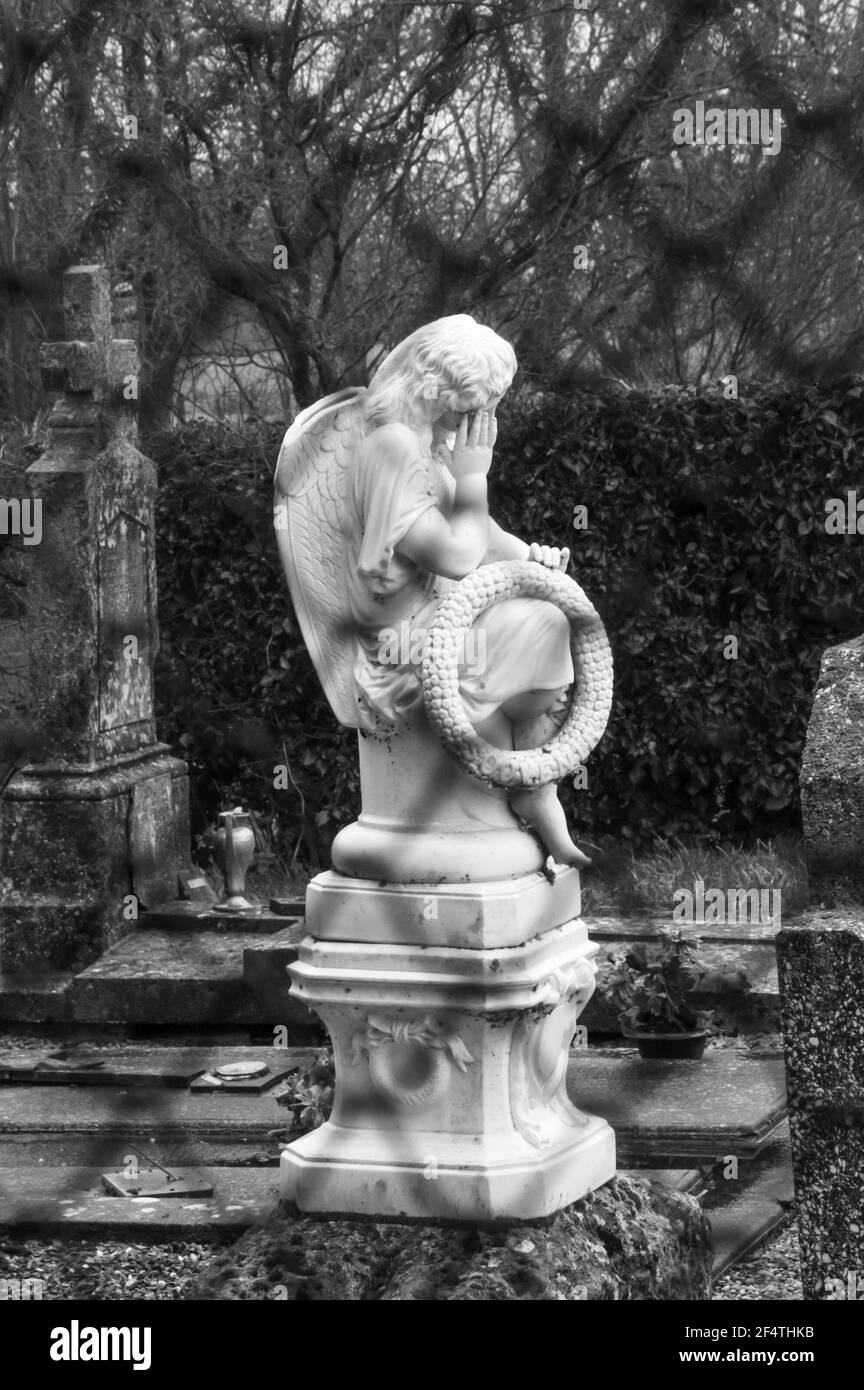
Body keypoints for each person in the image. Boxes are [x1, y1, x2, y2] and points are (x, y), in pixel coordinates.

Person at [343, 313, 590, 868]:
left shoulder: (425, 449)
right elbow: (455, 555)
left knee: (551, 609)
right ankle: (528, 783)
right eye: (471, 405)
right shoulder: (391, 449)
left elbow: (484, 535)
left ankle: (534, 780)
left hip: (441, 617)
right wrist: (476, 475)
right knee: (543, 624)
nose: (479, 420)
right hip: (404, 642)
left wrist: (533, 556)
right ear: (435, 389)